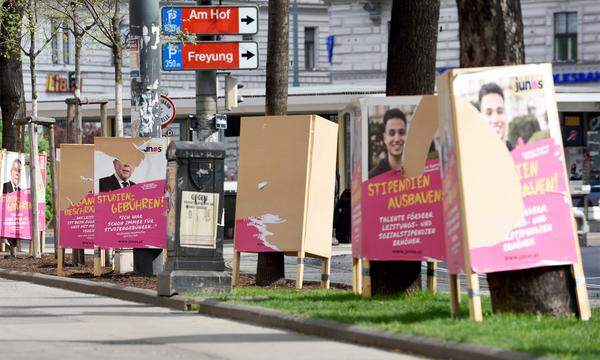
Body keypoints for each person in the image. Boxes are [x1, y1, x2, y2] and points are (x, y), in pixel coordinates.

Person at [369, 108, 407, 178]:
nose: (397, 139)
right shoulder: (372, 178)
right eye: (391, 133)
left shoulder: (418, 175)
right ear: (385, 138)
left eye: (401, 133)